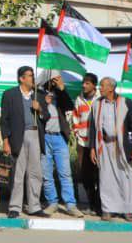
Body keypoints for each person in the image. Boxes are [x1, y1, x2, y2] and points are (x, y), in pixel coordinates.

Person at [0, 66, 46, 218]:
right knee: (17, 173)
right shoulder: (9, 94)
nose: (33, 78)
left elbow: (46, 117)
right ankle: (14, 207)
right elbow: (4, 120)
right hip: (18, 137)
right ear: (21, 78)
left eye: (33, 75)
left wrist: (39, 109)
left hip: (35, 134)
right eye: (30, 75)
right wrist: (5, 141)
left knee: (35, 173)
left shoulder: (39, 95)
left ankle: (34, 206)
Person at [88, 77, 132, 222]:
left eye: (102, 86)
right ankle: (107, 210)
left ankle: (127, 210)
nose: (100, 88)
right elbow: (93, 128)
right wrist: (92, 148)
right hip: (104, 145)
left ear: (111, 88)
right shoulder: (97, 104)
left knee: (125, 178)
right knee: (106, 179)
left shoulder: (125, 102)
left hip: (121, 146)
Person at [39, 72, 83, 217]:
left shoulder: (60, 94)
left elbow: (70, 106)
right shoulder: (39, 94)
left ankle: (70, 205)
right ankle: (52, 203)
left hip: (59, 138)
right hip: (44, 137)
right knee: (46, 173)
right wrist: (44, 102)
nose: (54, 82)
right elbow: (36, 111)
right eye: (52, 79)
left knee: (65, 173)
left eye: (56, 79)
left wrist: (62, 88)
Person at [72, 73, 100, 214]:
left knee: (99, 173)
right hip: (83, 142)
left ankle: (99, 205)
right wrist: (77, 132)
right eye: (83, 82)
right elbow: (75, 117)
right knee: (84, 174)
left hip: (98, 142)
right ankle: (91, 203)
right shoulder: (79, 99)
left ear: (94, 85)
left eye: (87, 83)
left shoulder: (100, 98)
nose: (84, 85)